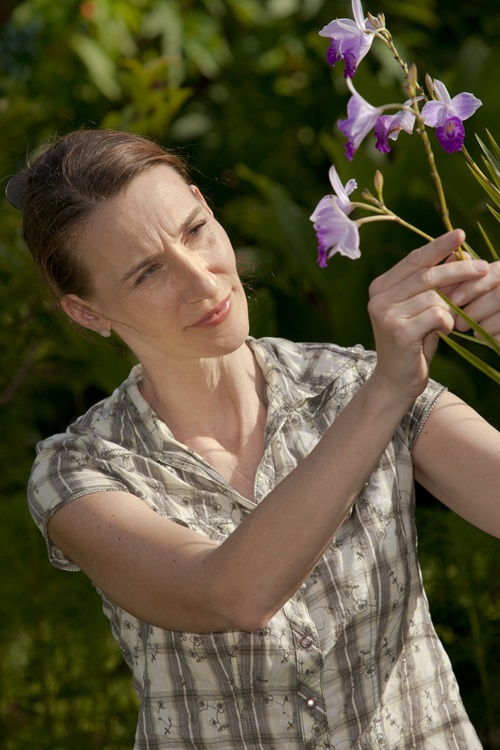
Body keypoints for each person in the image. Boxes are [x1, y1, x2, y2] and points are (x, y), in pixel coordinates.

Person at [7, 128, 500, 749]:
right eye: (147, 272)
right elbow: (229, 594)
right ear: (87, 312)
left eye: (195, 231)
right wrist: (384, 393)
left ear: (206, 206)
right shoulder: (80, 471)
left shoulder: (349, 384)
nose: (205, 282)